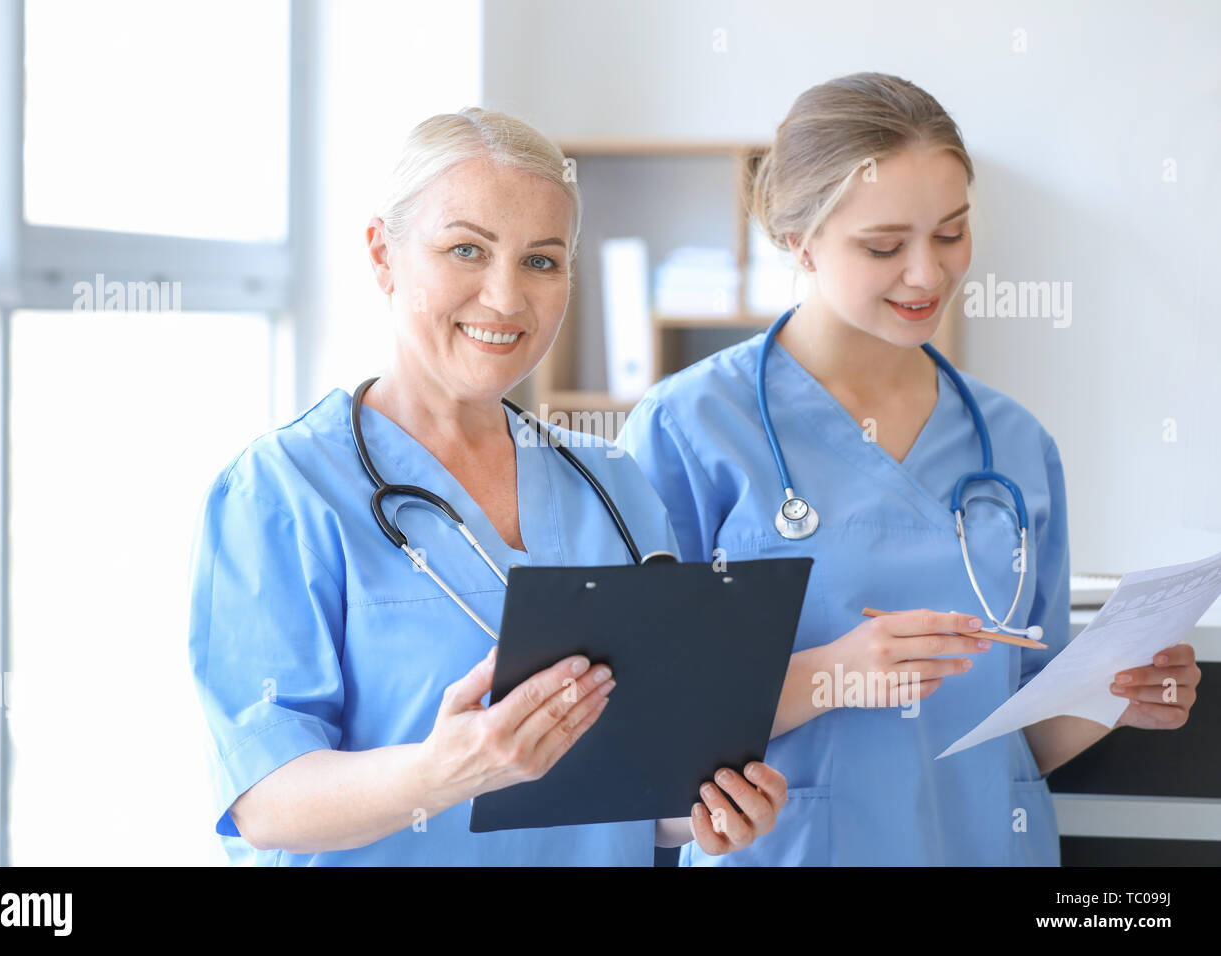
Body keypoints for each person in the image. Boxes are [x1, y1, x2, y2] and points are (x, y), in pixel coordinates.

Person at [616, 72, 1200, 866]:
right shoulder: (692, 428)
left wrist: (1114, 698)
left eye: (952, 233)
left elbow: (1016, 739)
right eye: (884, 246)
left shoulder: (1015, 443)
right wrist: (832, 674)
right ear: (800, 241)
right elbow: (638, 731)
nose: (928, 275)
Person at [187, 108, 788, 865]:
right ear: (383, 255)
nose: (506, 300)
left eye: (542, 261)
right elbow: (264, 801)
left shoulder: (612, 484)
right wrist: (442, 773)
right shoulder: (281, 492)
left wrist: (703, 812)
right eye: (466, 250)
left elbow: (641, 778)